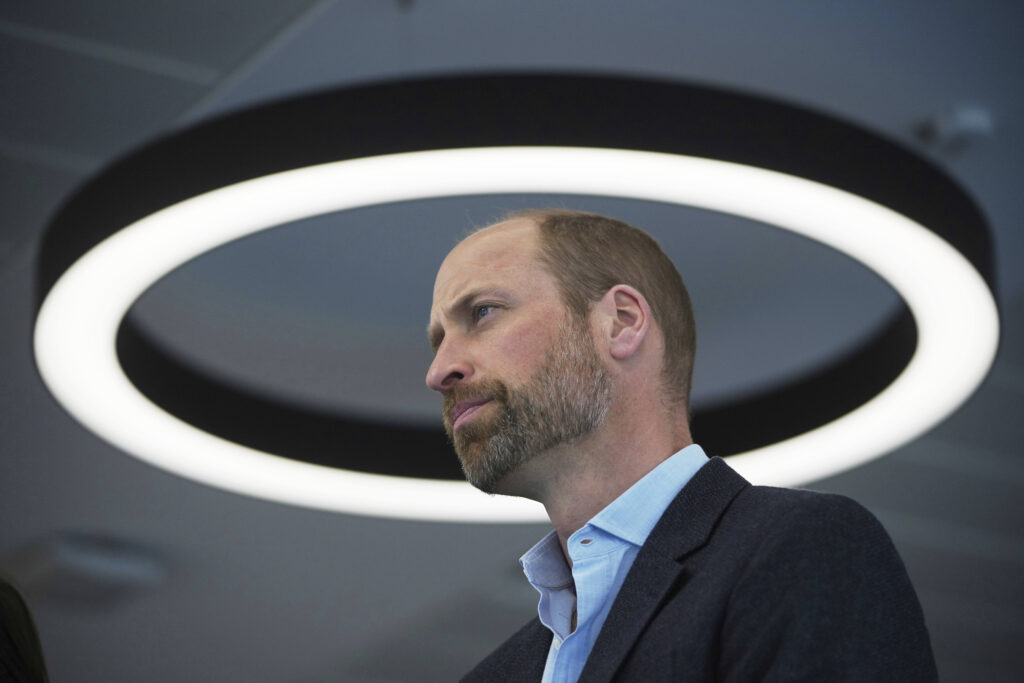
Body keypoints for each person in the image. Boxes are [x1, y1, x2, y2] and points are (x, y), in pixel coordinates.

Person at [425, 209, 936, 682]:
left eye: (483, 311)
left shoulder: (802, 548)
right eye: (438, 339)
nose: (438, 371)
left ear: (621, 321)